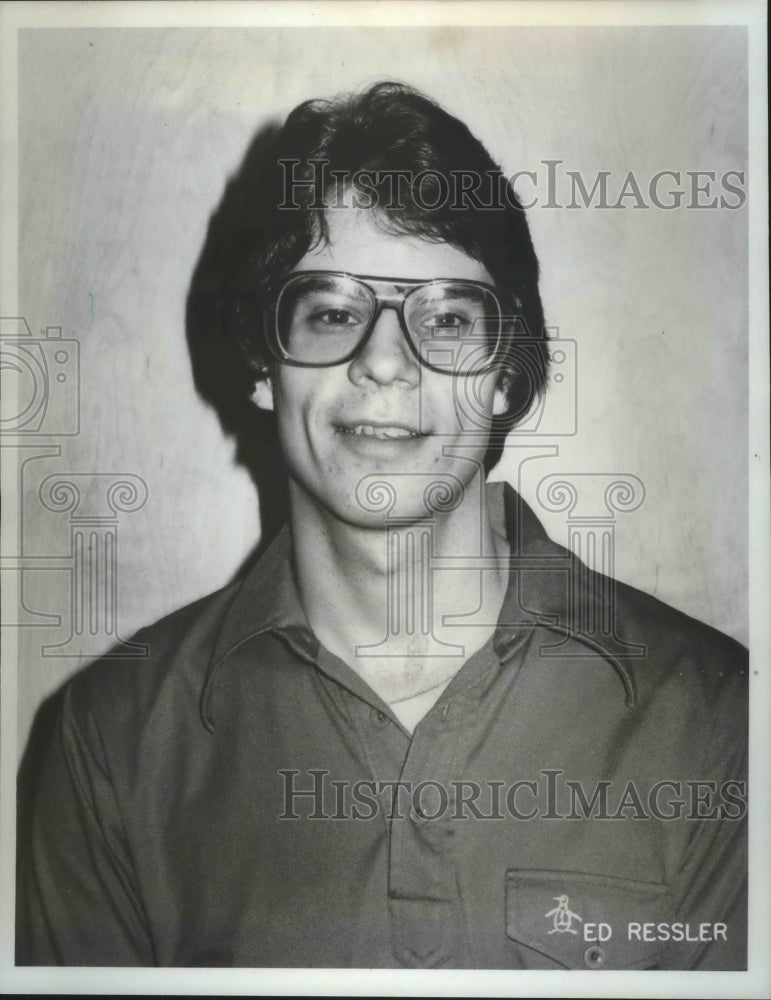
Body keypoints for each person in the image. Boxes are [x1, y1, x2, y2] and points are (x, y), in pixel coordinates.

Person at [17, 81, 747, 970]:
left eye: (444, 317)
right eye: (331, 311)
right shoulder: (109, 743)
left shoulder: (719, 724)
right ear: (261, 363)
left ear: (506, 377)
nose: (385, 363)